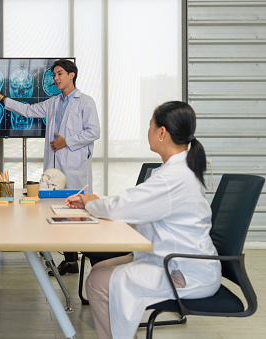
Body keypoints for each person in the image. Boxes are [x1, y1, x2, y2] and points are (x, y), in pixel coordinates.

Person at [65, 101, 221, 339]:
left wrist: (90, 202)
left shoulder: (173, 177)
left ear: (162, 132)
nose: (147, 131)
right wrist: (94, 201)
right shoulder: (177, 172)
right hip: (175, 259)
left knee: (97, 281)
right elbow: (131, 203)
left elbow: (123, 206)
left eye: (150, 125)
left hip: (183, 270)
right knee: (99, 269)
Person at [0, 59, 100, 275]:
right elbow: (28, 110)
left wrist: (66, 141)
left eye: (59, 74)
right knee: (58, 210)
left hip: (74, 164)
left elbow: (94, 132)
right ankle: (70, 260)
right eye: (54, 76)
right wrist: (2, 98)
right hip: (54, 166)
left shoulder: (86, 102)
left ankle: (93, 260)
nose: (56, 79)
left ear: (71, 75)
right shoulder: (52, 102)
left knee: (77, 210)